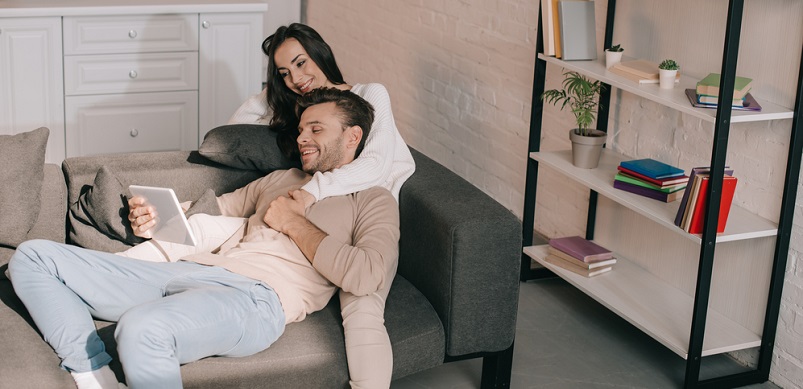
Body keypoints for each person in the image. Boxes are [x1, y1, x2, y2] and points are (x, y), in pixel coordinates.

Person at [8, 88, 399, 389]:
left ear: (353, 137)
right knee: (33, 256)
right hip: (188, 271)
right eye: (301, 129)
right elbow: (212, 210)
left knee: (143, 328)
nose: (302, 139)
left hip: (257, 298)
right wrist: (155, 218)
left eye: (316, 130)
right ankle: (94, 372)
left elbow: (367, 276)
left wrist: (295, 224)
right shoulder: (283, 179)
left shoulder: (372, 199)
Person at [227, 23, 412, 388]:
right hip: (320, 216)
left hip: (367, 210)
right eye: (285, 73)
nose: (297, 77)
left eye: (300, 63)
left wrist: (314, 191)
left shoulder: (368, 94)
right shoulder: (304, 112)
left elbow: (375, 166)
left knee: (363, 306)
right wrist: (272, 94)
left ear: (320, 53)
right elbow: (230, 129)